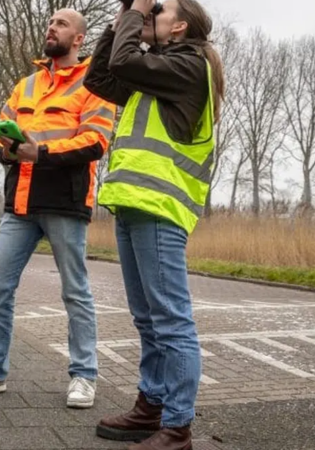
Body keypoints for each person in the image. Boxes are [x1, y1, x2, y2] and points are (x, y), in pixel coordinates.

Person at [0, 8, 117, 409]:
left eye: (60, 24)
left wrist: (40, 152)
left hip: (64, 203)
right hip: (19, 203)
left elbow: (96, 141)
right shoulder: (26, 85)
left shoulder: (94, 86)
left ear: (78, 39)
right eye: (49, 23)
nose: (50, 28)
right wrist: (6, 148)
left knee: (75, 291)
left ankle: (84, 377)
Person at [83, 0, 224, 448]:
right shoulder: (156, 72)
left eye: (158, 10)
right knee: (147, 318)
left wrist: (133, 14)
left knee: (171, 320)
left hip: (161, 207)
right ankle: (152, 405)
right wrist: (121, 18)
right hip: (133, 204)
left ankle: (177, 426)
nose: (149, 13)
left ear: (179, 27)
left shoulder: (187, 66)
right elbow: (100, 76)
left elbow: (124, 61)